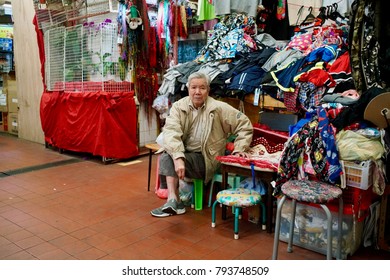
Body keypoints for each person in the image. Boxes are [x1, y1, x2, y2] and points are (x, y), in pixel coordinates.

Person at [151, 71, 253, 218]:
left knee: (169, 157)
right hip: (186, 154)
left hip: (207, 159)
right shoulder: (179, 107)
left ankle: (176, 202)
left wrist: (239, 149)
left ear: (208, 90)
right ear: (188, 89)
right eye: (193, 87)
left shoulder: (218, 108)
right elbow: (171, 132)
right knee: (168, 154)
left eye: (202, 88)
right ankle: (173, 200)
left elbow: (244, 124)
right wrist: (178, 156)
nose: (197, 92)